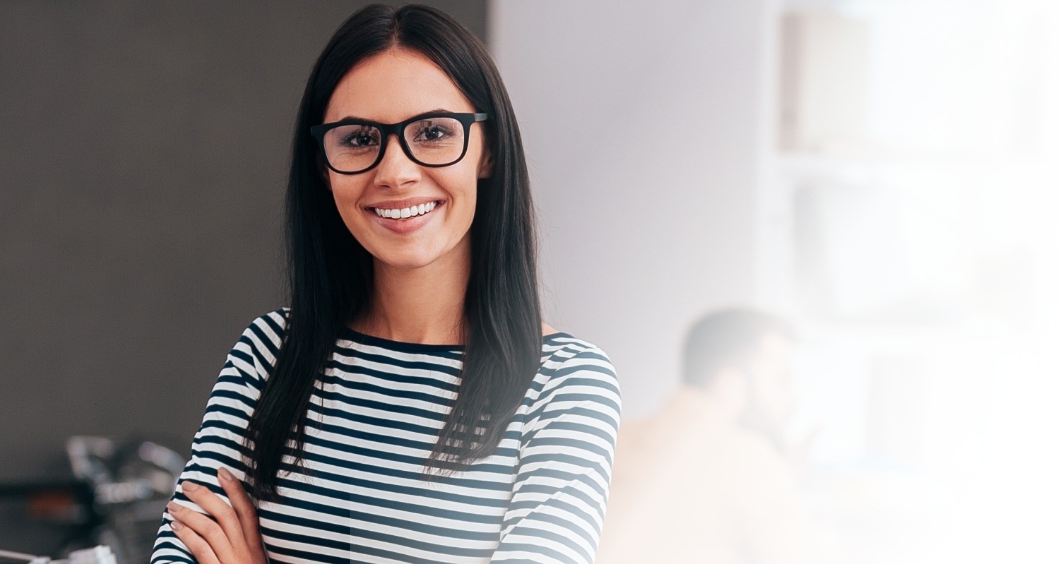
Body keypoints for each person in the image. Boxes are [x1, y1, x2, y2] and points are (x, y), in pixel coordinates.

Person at [149, 5, 621, 563]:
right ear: (323, 165)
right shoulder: (269, 354)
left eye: (434, 132)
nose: (395, 172)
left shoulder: (565, 388)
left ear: (487, 150)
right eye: (358, 139)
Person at [595, 309, 845, 564]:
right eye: (781, 380)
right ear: (730, 382)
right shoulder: (749, 459)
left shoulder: (614, 439)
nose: (792, 400)